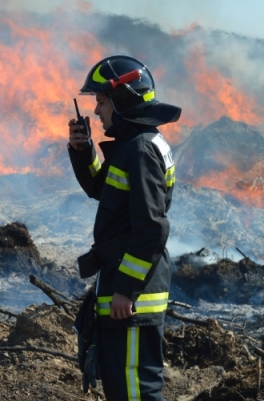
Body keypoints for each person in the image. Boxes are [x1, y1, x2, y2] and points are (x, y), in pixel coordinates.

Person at [68, 55, 181, 401]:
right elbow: (102, 190)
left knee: (136, 393)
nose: (97, 111)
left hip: (134, 299)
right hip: (124, 290)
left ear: (124, 99)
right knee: (123, 390)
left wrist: (126, 290)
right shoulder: (134, 145)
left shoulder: (141, 150)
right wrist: (83, 149)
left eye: (101, 101)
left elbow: (152, 229)